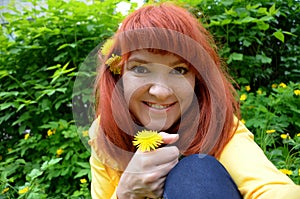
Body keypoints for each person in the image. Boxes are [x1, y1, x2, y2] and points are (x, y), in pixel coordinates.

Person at [87, 2, 300, 199]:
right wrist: (125, 193)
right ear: (118, 75)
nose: (161, 92)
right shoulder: (105, 133)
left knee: (193, 173)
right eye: (141, 69)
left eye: (179, 70)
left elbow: (269, 187)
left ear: (197, 79)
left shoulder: (215, 124)